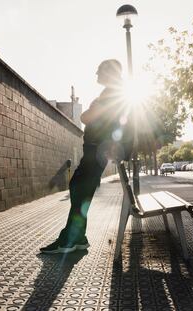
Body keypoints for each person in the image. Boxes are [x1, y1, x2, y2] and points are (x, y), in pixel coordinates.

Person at [40, 59, 132, 254]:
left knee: (78, 189)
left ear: (109, 73)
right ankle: (78, 238)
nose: (97, 74)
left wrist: (91, 110)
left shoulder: (111, 94)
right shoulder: (116, 92)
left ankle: (69, 240)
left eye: (99, 71)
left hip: (96, 150)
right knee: (82, 192)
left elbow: (87, 117)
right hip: (97, 150)